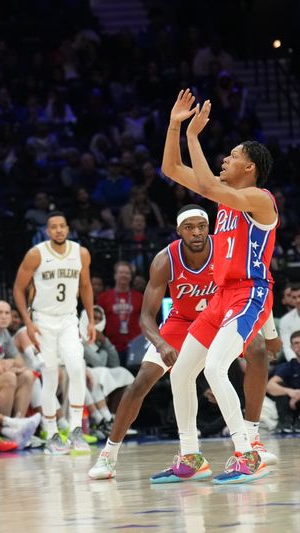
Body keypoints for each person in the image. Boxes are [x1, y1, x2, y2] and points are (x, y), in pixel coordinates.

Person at [89, 205, 276, 479]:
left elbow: (256, 284)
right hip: (181, 322)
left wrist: (270, 333)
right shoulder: (165, 260)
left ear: (209, 227)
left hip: (222, 317)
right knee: (142, 380)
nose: (197, 232)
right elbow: (146, 317)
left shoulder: (226, 250)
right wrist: (162, 344)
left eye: (201, 226)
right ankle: (109, 454)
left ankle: (252, 438)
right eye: (189, 227)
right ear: (179, 231)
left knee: (258, 349)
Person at [158, 89, 278, 484]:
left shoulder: (259, 199)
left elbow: (208, 186)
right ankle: (191, 456)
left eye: (232, 155)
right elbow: (171, 169)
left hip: (249, 294)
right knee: (180, 373)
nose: (225, 158)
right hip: (220, 297)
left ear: (250, 167)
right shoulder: (227, 201)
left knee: (215, 367)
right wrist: (176, 126)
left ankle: (247, 452)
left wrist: (195, 136)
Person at [13, 211, 95, 455]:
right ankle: (51, 433)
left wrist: (90, 319)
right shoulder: (36, 254)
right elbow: (18, 289)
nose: (58, 230)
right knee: (50, 375)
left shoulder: (80, 253)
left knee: (77, 367)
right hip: (43, 321)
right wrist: (27, 321)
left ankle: (76, 428)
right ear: (47, 231)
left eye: (62, 226)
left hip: (69, 319)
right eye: (53, 227)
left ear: (68, 229)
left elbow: (86, 286)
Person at [267, 331, 300, 433]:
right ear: (291, 347)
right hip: (291, 405)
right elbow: (270, 386)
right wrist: (290, 392)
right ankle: (286, 423)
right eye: (296, 343)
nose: (299, 345)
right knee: (279, 386)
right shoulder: (289, 366)